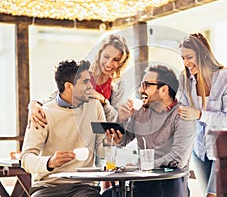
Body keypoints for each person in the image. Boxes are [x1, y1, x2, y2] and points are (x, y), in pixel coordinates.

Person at [20, 59, 122, 197]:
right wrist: (50, 162)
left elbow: (101, 150)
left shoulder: (95, 107)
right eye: (85, 82)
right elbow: (26, 159)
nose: (91, 87)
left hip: (83, 187)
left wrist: (110, 141)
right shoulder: (42, 114)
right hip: (48, 187)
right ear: (69, 86)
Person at [104, 64, 196, 197]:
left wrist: (140, 167)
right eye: (142, 84)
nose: (141, 89)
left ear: (164, 90)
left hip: (170, 183)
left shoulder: (182, 116)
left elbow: (178, 158)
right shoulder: (139, 112)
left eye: (146, 85)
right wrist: (121, 119)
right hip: (143, 182)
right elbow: (123, 140)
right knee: (107, 195)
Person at [177, 33, 227, 197]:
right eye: (183, 58)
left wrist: (199, 114)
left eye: (189, 57)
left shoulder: (226, 77)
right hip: (199, 150)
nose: (186, 63)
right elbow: (180, 114)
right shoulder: (184, 79)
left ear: (203, 53)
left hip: (224, 149)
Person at [28, 34, 130, 129]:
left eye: (116, 59)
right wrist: (34, 104)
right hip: (77, 131)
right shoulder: (84, 72)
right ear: (99, 54)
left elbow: (115, 120)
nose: (109, 63)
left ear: (121, 62)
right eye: (106, 57)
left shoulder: (118, 83)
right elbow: (60, 95)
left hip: (99, 137)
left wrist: (103, 100)